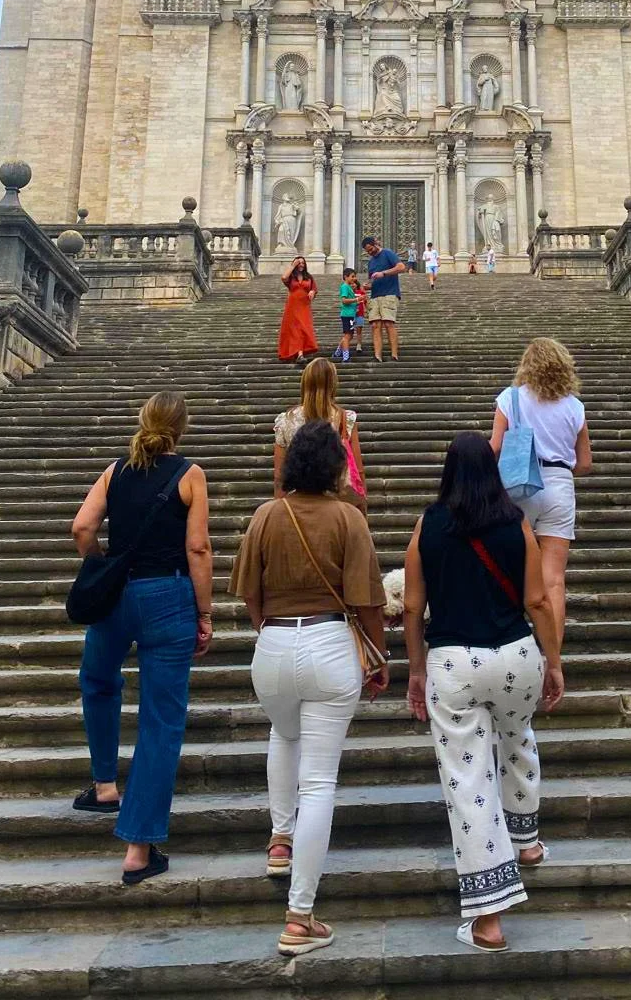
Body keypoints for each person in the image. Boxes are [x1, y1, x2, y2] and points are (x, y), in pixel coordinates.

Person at [231, 420, 388, 956]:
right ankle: (300, 915)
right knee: (319, 782)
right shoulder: (348, 518)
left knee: (283, 730)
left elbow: (248, 593)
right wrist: (378, 656)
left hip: (272, 644)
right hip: (327, 644)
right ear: (335, 467)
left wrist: (270, 631)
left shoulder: (265, 515)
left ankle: (280, 839)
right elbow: (369, 600)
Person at [404, 433, 564, 953]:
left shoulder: (428, 525)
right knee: (517, 736)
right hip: (516, 654)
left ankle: (489, 916)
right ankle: (527, 842)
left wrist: (414, 670)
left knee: (467, 778)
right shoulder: (516, 524)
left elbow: (410, 605)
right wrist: (554, 660)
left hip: (454, 662)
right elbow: (538, 600)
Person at [70, 391, 213, 884]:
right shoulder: (190, 475)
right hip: (169, 595)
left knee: (99, 679)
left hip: (118, 594)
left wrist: (101, 562)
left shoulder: (115, 470)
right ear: (182, 428)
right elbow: (197, 547)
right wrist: (206, 611)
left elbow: (82, 527)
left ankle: (105, 783)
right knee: (160, 720)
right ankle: (138, 847)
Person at [489, 339, 591, 651]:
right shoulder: (574, 406)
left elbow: (494, 446)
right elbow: (585, 463)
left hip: (519, 483)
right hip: (560, 483)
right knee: (554, 580)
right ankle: (552, 654)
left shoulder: (511, 398)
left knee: (504, 566)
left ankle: (506, 643)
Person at [273, 357, 367, 510]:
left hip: (297, 505)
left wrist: (278, 508)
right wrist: (362, 508)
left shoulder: (286, 420)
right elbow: (358, 470)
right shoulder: (346, 418)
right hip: (337, 504)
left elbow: (279, 476)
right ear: (332, 384)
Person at [362, 235, 406, 362]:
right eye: (368, 251)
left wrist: (384, 273)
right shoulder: (371, 262)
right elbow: (373, 281)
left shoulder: (388, 253)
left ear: (376, 244)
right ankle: (377, 355)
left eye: (371, 249)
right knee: (375, 325)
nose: (370, 252)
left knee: (388, 323)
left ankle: (394, 354)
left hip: (390, 293)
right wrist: (367, 286)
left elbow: (401, 267)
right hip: (375, 295)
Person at [278, 256, 318, 365]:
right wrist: (292, 266)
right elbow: (283, 277)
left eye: (303, 263)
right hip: (292, 306)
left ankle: (299, 352)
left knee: (303, 328)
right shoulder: (291, 277)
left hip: (304, 306)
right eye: (299, 263)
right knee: (295, 329)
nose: (301, 265)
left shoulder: (309, 277)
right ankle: (299, 354)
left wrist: (312, 292)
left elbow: (314, 288)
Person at [336, 268, 357, 363]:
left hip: (351, 315)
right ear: (346, 276)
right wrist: (356, 300)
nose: (354, 278)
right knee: (348, 335)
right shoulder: (344, 287)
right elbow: (344, 300)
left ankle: (338, 352)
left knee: (349, 335)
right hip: (347, 315)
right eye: (352, 276)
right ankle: (345, 356)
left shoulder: (348, 287)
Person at [351, 271, 368, 355]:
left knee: (359, 330)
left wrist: (367, 310)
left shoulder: (361, 292)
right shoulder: (348, 293)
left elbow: (365, 301)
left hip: (360, 314)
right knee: (349, 331)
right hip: (350, 314)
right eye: (351, 284)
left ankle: (359, 344)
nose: (353, 285)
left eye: (354, 283)